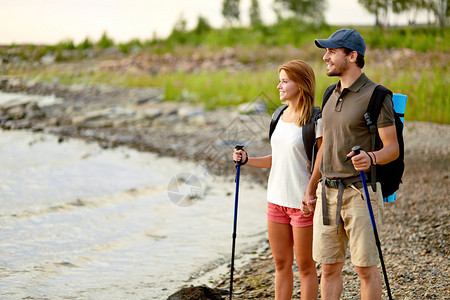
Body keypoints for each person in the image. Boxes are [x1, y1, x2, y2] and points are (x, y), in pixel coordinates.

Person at [303, 29, 399, 299]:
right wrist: (312, 188)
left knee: (364, 269)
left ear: (352, 55)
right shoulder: (329, 95)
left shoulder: (377, 96)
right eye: (326, 52)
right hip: (327, 192)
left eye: (332, 52)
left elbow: (392, 148)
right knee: (329, 268)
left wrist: (370, 157)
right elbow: (325, 148)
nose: (325, 57)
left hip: (360, 193)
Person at [233, 60, 321, 300]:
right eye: (279, 80)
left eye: (284, 81)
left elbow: (322, 163)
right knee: (281, 265)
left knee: (305, 268)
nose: (278, 86)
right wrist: (247, 160)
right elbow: (279, 158)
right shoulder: (279, 115)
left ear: (300, 84)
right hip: (276, 201)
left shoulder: (316, 119)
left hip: (303, 205)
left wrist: (311, 191)